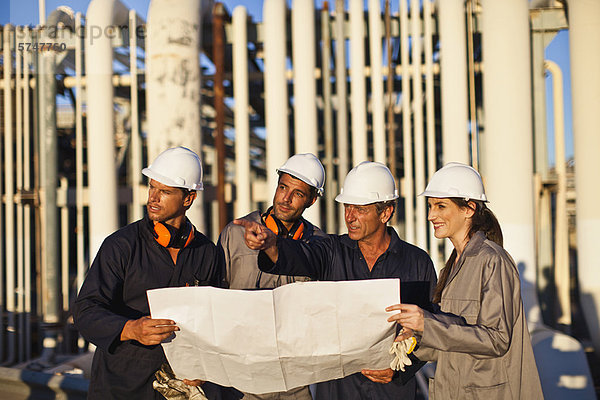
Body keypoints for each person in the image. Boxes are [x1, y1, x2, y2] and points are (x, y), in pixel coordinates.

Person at [235, 161, 437, 400]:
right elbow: (301, 255)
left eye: (360, 209)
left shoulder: (417, 263)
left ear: (386, 213)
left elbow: (432, 329)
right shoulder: (331, 251)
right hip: (338, 390)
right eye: (347, 207)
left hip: (391, 391)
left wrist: (402, 366)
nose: (350, 217)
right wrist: (272, 244)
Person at [73, 147, 226, 399]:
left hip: (179, 387)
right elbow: (86, 310)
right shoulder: (121, 245)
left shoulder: (206, 252)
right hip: (121, 386)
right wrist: (130, 328)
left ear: (188, 199)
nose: (152, 197)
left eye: (164, 191)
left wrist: (203, 369)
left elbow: (214, 322)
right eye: (151, 187)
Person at [386, 162, 543, 399]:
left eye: (440, 206)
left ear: (469, 209)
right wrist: (414, 340)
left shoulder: (493, 261)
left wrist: (427, 323)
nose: (431, 215)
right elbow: (453, 341)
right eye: (430, 207)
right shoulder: (452, 267)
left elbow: (497, 339)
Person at [218, 153, 326, 400]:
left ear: (311, 200)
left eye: (298, 193)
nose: (285, 199)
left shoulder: (320, 244)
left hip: (297, 379)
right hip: (244, 376)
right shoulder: (235, 234)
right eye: (283, 187)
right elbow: (216, 296)